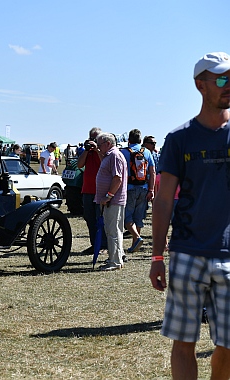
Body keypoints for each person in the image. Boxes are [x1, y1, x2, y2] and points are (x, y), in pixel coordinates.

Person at [150, 51, 230, 379]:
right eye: (222, 79)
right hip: (187, 253)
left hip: (229, 255)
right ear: (200, 85)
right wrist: (157, 255)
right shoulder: (179, 139)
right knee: (184, 341)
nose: (229, 86)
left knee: (227, 346)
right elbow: (163, 199)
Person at [95, 132, 127, 271]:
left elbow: (117, 178)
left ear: (107, 144)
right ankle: (115, 258)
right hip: (110, 201)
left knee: (113, 231)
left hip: (113, 200)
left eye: (99, 144)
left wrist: (109, 195)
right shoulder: (110, 155)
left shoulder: (114, 155)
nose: (98, 147)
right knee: (111, 230)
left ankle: (115, 262)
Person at [120, 129, 156, 255]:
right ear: (141, 140)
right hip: (144, 187)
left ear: (129, 140)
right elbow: (152, 172)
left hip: (129, 188)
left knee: (126, 216)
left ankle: (137, 237)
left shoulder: (123, 152)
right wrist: (151, 189)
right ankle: (135, 243)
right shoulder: (146, 152)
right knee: (139, 216)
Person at [77, 127, 107, 255]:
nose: (93, 141)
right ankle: (94, 244)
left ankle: (104, 245)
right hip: (87, 190)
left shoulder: (104, 151)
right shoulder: (87, 151)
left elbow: (105, 163)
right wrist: (86, 150)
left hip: (100, 191)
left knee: (101, 219)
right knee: (89, 218)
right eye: (92, 138)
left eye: (95, 138)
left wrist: (97, 150)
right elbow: (79, 165)